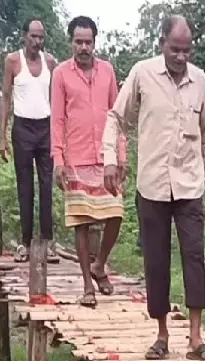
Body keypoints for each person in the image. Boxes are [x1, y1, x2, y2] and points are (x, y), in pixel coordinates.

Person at [102, 15, 205, 361]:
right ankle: (161, 335)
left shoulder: (200, 81)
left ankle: (197, 337)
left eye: (186, 50)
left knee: (194, 257)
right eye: (175, 49)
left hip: (189, 185)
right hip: (152, 185)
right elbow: (115, 117)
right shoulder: (142, 74)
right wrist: (110, 158)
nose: (181, 57)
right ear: (161, 44)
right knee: (156, 260)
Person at [51, 15, 125, 306]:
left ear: (95, 43)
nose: (83, 47)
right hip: (76, 158)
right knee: (81, 223)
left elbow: (116, 116)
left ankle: (99, 265)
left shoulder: (107, 71)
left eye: (88, 42)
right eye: (78, 42)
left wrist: (120, 156)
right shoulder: (61, 74)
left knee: (115, 213)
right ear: (71, 42)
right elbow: (57, 120)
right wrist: (58, 159)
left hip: (105, 157)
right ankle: (86, 285)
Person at [0, 18, 59, 264]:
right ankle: (25, 243)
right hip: (22, 128)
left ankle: (47, 242)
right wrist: (2, 137)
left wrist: (60, 134)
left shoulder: (51, 62)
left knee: (46, 186)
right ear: (24, 36)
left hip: (46, 127)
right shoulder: (13, 61)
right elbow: (5, 97)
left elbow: (57, 100)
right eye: (33, 36)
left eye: (40, 37)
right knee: (25, 186)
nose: (37, 41)